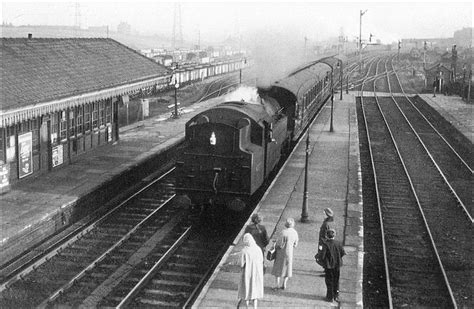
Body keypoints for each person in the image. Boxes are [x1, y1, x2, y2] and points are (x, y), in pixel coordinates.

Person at [237, 233, 264, 309]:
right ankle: (255, 307)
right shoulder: (258, 249)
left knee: (247, 291)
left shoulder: (244, 251)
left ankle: (247, 307)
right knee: (255, 290)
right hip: (257, 273)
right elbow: (261, 260)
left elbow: (241, 264)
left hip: (247, 273)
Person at [271, 218, 299, 290]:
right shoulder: (295, 232)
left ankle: (277, 285)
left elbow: (279, 244)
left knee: (278, 268)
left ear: (286, 224)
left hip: (281, 253)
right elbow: (295, 244)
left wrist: (275, 245)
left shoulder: (283, 232)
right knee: (287, 268)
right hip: (290, 252)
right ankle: (284, 284)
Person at [320, 229, 346, 303]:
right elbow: (342, 253)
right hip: (337, 265)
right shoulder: (339, 243)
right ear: (334, 236)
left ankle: (330, 297)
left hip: (329, 266)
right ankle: (336, 296)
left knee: (329, 281)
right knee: (336, 280)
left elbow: (322, 256)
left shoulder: (325, 244)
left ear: (327, 236)